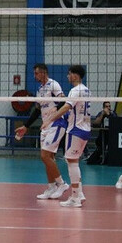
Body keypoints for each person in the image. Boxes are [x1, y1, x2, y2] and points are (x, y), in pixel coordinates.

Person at [15, 63, 70, 200]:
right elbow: (37, 110)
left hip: (57, 123)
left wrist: (53, 115)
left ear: (44, 72)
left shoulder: (53, 85)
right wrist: (26, 126)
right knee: (48, 158)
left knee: (45, 156)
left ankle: (61, 184)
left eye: (36, 73)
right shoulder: (40, 89)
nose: (34, 76)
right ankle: (51, 187)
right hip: (46, 126)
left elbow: (63, 102)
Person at [42, 65, 91, 208]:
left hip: (75, 129)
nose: (68, 76)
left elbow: (65, 107)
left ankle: (75, 197)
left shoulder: (75, 91)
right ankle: (79, 194)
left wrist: (50, 119)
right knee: (74, 161)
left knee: (72, 162)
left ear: (75, 75)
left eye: (69, 74)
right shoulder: (86, 90)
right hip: (85, 129)